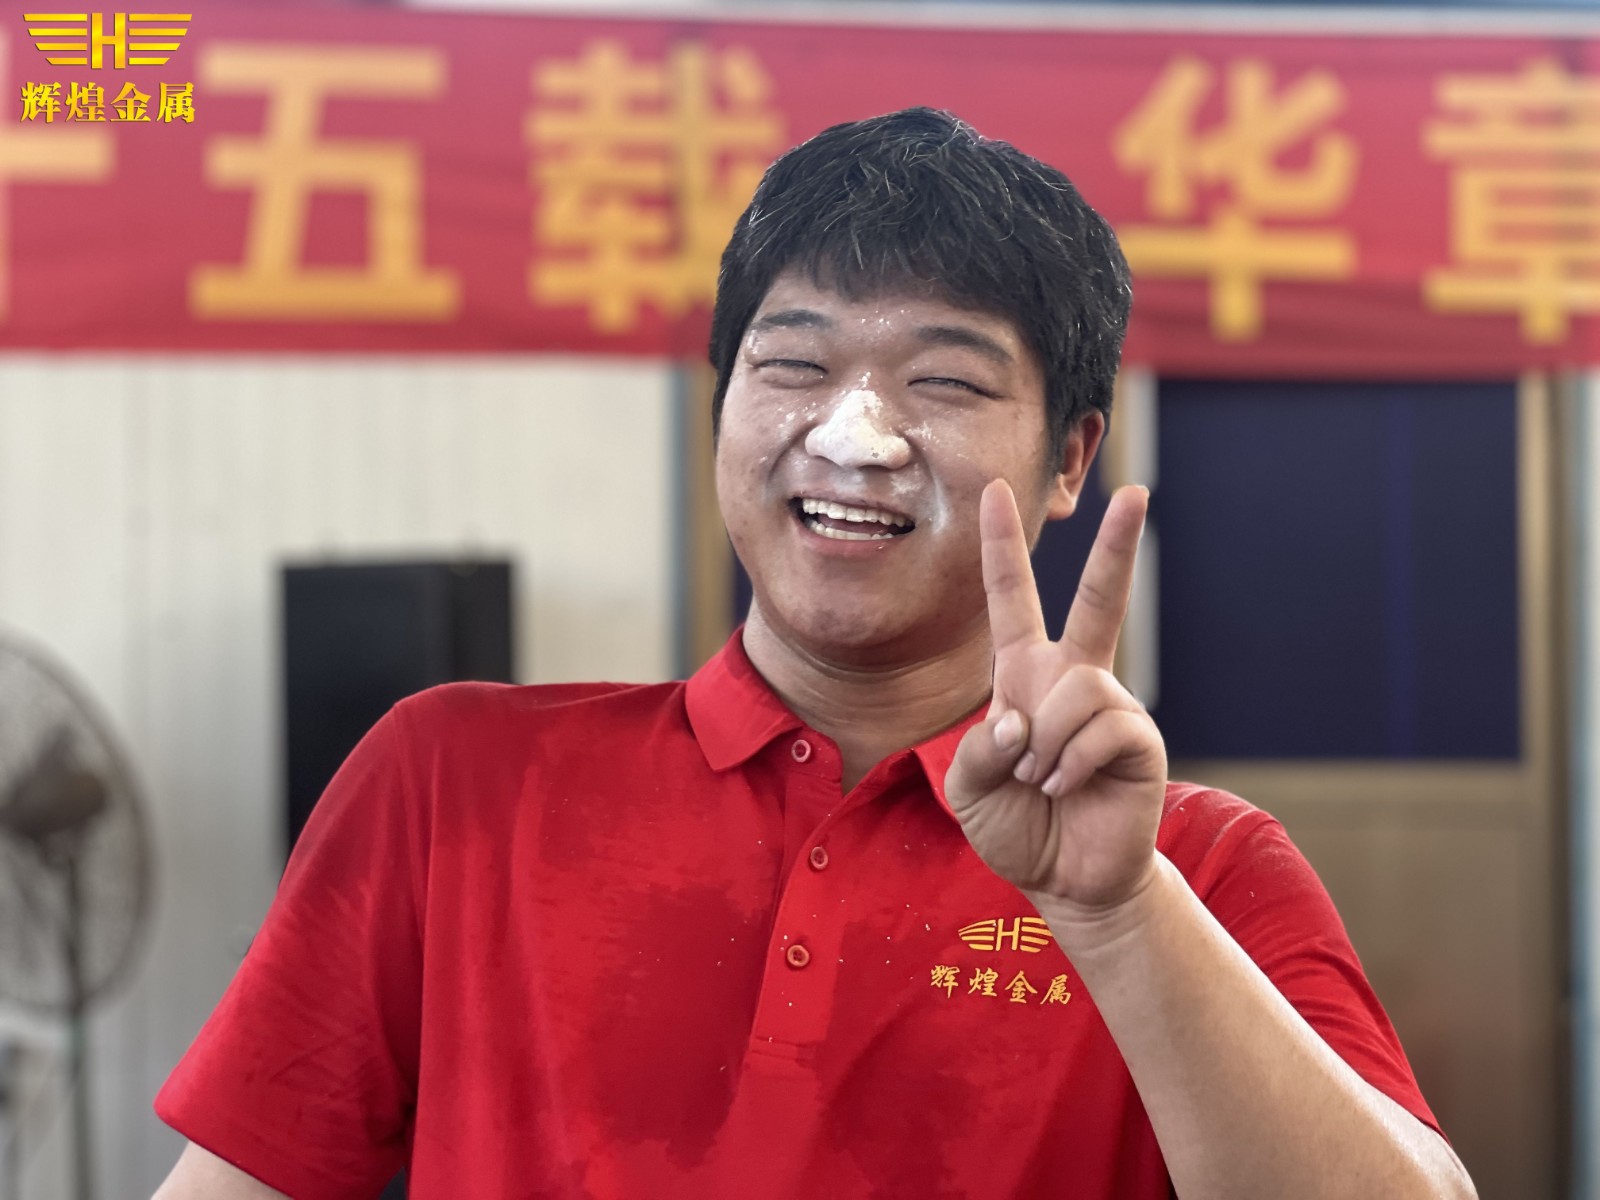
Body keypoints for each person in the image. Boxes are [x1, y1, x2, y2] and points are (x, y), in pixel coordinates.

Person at [152, 108, 1476, 1200]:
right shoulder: (451, 783)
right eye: (794, 365)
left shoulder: (1194, 867)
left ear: (1071, 457)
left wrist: (1119, 916)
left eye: (945, 383)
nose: (855, 437)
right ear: (722, 402)